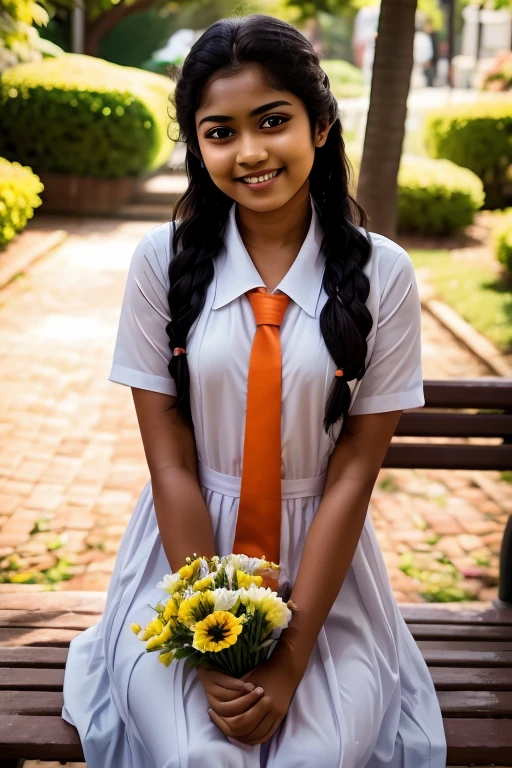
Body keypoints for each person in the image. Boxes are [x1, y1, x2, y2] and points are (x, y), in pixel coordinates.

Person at [61, 14, 447, 767]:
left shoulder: (383, 274)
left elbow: (356, 469)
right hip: (183, 566)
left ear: (322, 125)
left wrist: (292, 653)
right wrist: (211, 630)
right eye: (220, 131)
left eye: (274, 120)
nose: (251, 151)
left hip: (325, 580)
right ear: (198, 145)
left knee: (318, 756)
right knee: (201, 756)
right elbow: (170, 464)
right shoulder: (160, 264)